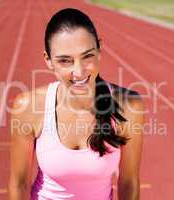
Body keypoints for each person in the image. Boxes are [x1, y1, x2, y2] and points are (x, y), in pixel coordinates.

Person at [8, 8, 144, 200]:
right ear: (48, 60)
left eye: (87, 56)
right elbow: (19, 184)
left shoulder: (129, 106)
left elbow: (129, 182)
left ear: (99, 50)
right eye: (65, 61)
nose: (78, 72)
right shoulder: (28, 106)